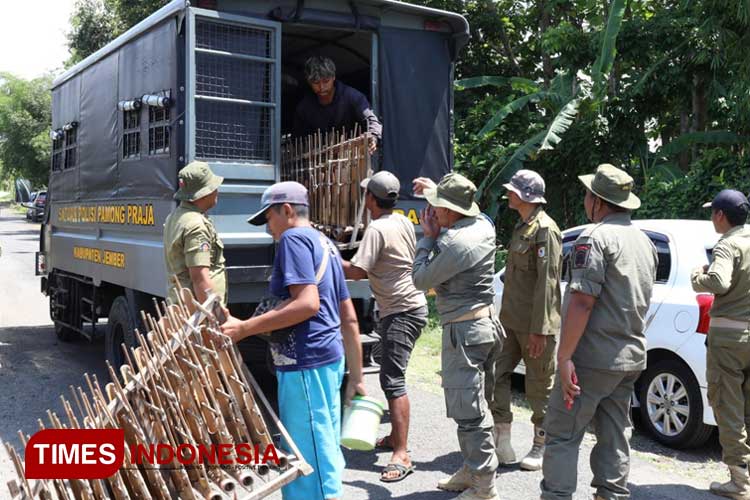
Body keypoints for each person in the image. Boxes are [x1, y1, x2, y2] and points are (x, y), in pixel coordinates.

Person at [220, 181, 366, 500]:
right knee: (322, 439)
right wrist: (356, 376)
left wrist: (245, 328)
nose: (268, 229)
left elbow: (307, 303)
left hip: (305, 361)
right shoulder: (324, 243)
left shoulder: (293, 239)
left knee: (309, 453)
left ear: (286, 211)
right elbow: (348, 315)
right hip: (328, 359)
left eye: (268, 219)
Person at [540, 164, 657, 500]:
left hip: (591, 358)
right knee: (615, 432)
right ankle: (612, 494)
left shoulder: (595, 238)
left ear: (599, 202)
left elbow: (582, 302)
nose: (585, 200)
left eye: (588, 194)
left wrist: (564, 358)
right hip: (630, 358)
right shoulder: (644, 241)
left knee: (562, 433)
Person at [411, 173, 502, 500]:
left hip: (464, 333)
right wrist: (435, 189)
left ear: (452, 212)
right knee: (479, 405)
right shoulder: (484, 226)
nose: (433, 211)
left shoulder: (452, 243)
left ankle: (484, 486)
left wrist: (427, 239)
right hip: (485, 327)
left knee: (470, 411)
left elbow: (420, 279)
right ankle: (472, 468)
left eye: (439, 207)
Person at [341, 170, 427, 483]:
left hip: (401, 311)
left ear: (369, 199)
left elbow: (357, 272)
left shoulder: (377, 229)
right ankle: (394, 438)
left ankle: (401, 453)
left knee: (393, 379)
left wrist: (322, 250)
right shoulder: (402, 220)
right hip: (411, 306)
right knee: (392, 373)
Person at [491, 170, 562, 471]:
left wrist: (540, 330)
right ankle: (502, 440)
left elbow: (547, 284)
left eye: (513, 190)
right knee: (496, 376)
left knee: (539, 389)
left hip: (535, 327)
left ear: (525, 196)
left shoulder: (545, 230)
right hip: (510, 322)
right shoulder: (522, 227)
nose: (508, 194)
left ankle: (541, 444)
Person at [691, 189, 750, 499]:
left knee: (729, 408)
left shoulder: (726, 246)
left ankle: (739, 481)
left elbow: (719, 282)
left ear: (720, 215)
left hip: (728, 339)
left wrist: (697, 276)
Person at [163, 161, 227, 306]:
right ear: (204, 193)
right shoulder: (196, 225)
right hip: (198, 317)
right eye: (213, 187)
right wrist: (216, 317)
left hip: (182, 307)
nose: (217, 190)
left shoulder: (175, 217)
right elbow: (200, 279)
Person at [293, 56, 382, 154]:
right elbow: (298, 141)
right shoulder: (304, 108)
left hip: (353, 158)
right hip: (319, 162)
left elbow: (371, 120)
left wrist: (373, 137)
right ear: (309, 82)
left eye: (326, 81)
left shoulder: (352, 97)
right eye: (316, 83)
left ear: (333, 77)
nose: (321, 87)